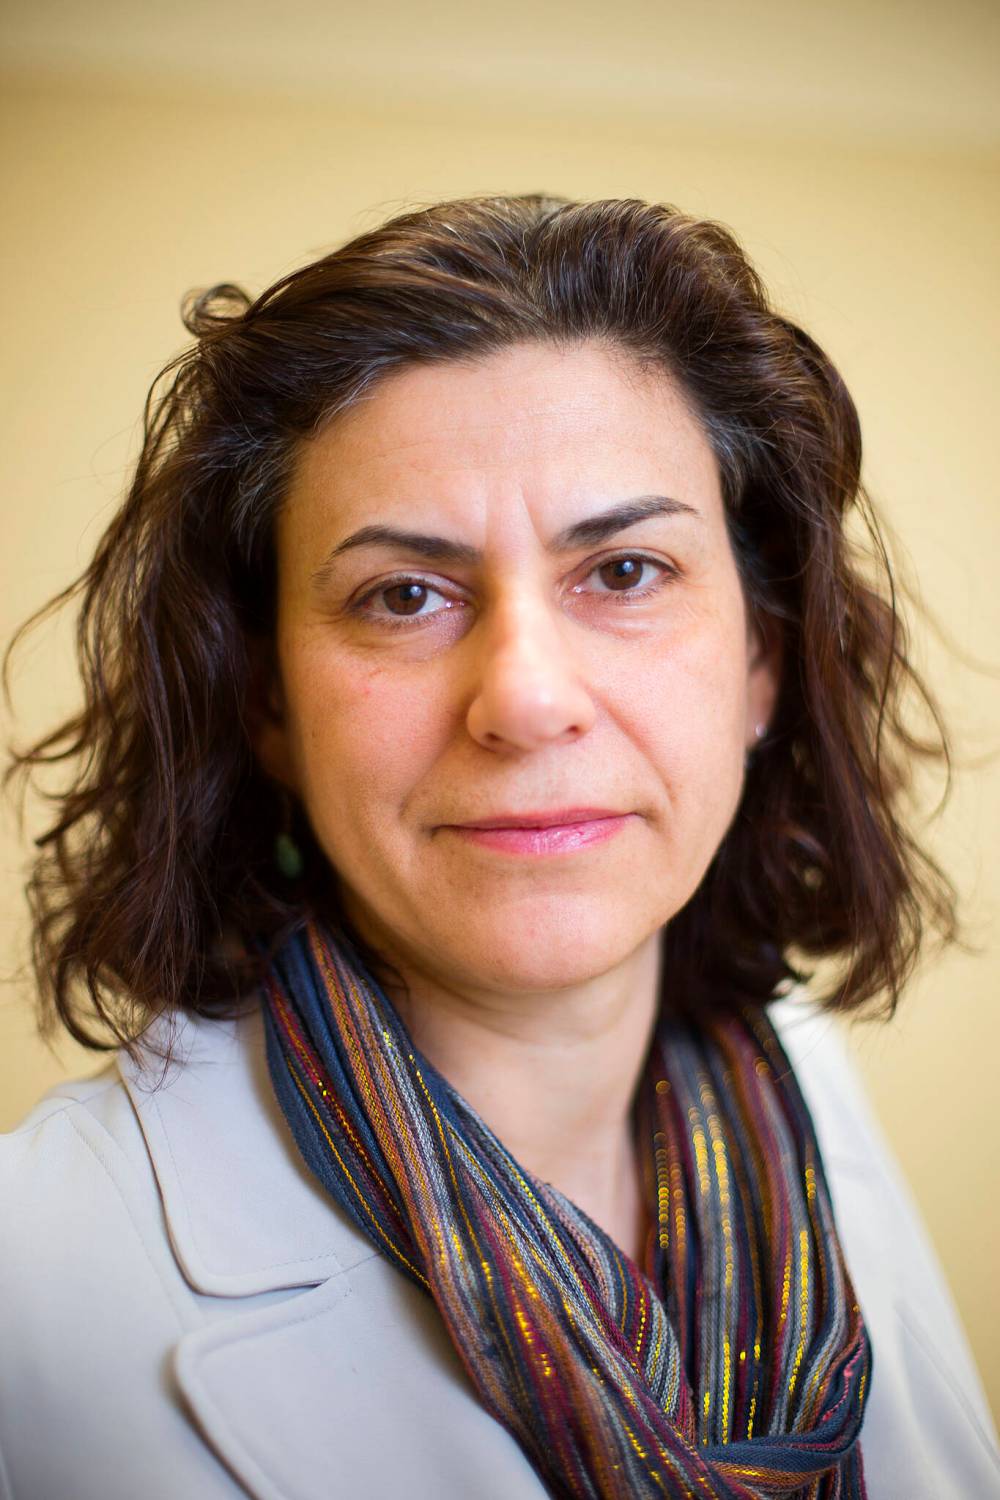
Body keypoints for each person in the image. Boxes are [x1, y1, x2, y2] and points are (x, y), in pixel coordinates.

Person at [1, 194, 997, 1500]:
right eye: (404, 596)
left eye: (625, 572)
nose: (526, 700)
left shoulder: (804, 1091)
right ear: (268, 704)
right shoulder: (34, 1273)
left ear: (763, 660)